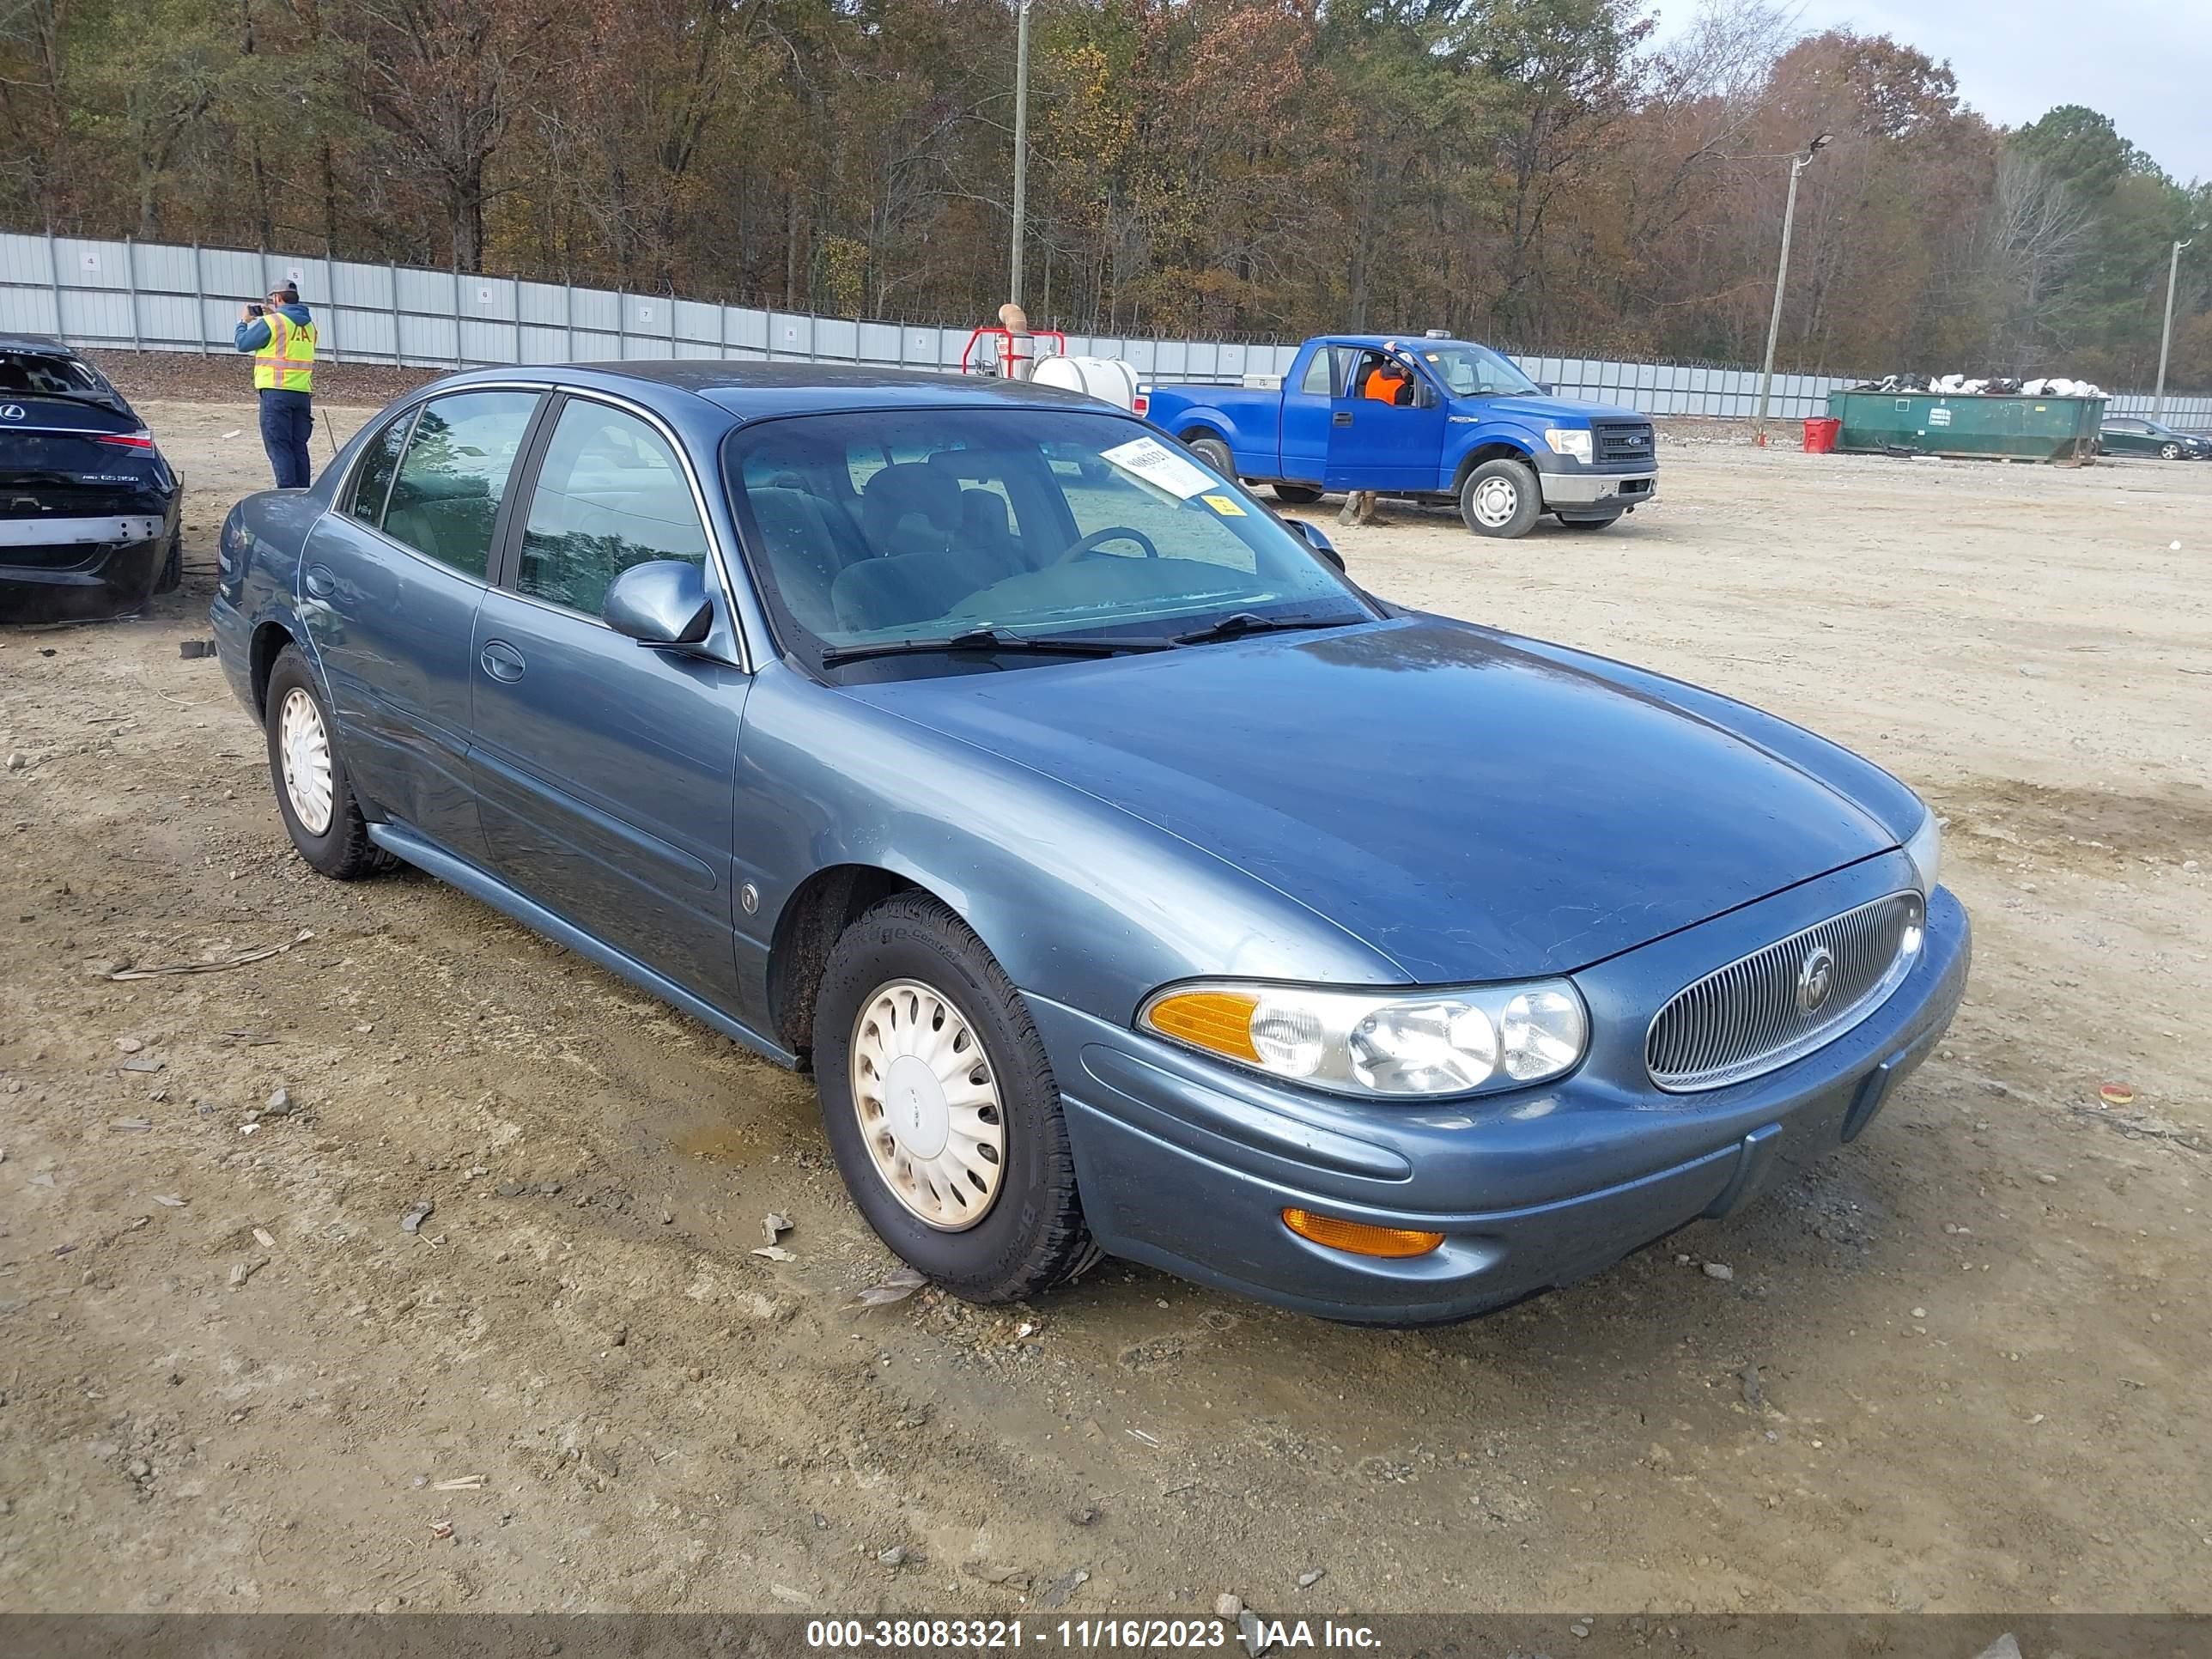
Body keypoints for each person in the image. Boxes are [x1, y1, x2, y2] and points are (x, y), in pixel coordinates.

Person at [235, 283, 318, 488]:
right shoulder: (310, 327)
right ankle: (302, 493)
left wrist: (243, 321)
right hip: (302, 394)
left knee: (279, 447)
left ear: (278, 298)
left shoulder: (273, 322)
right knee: (299, 447)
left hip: (276, 393)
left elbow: (242, 344)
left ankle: (286, 494)